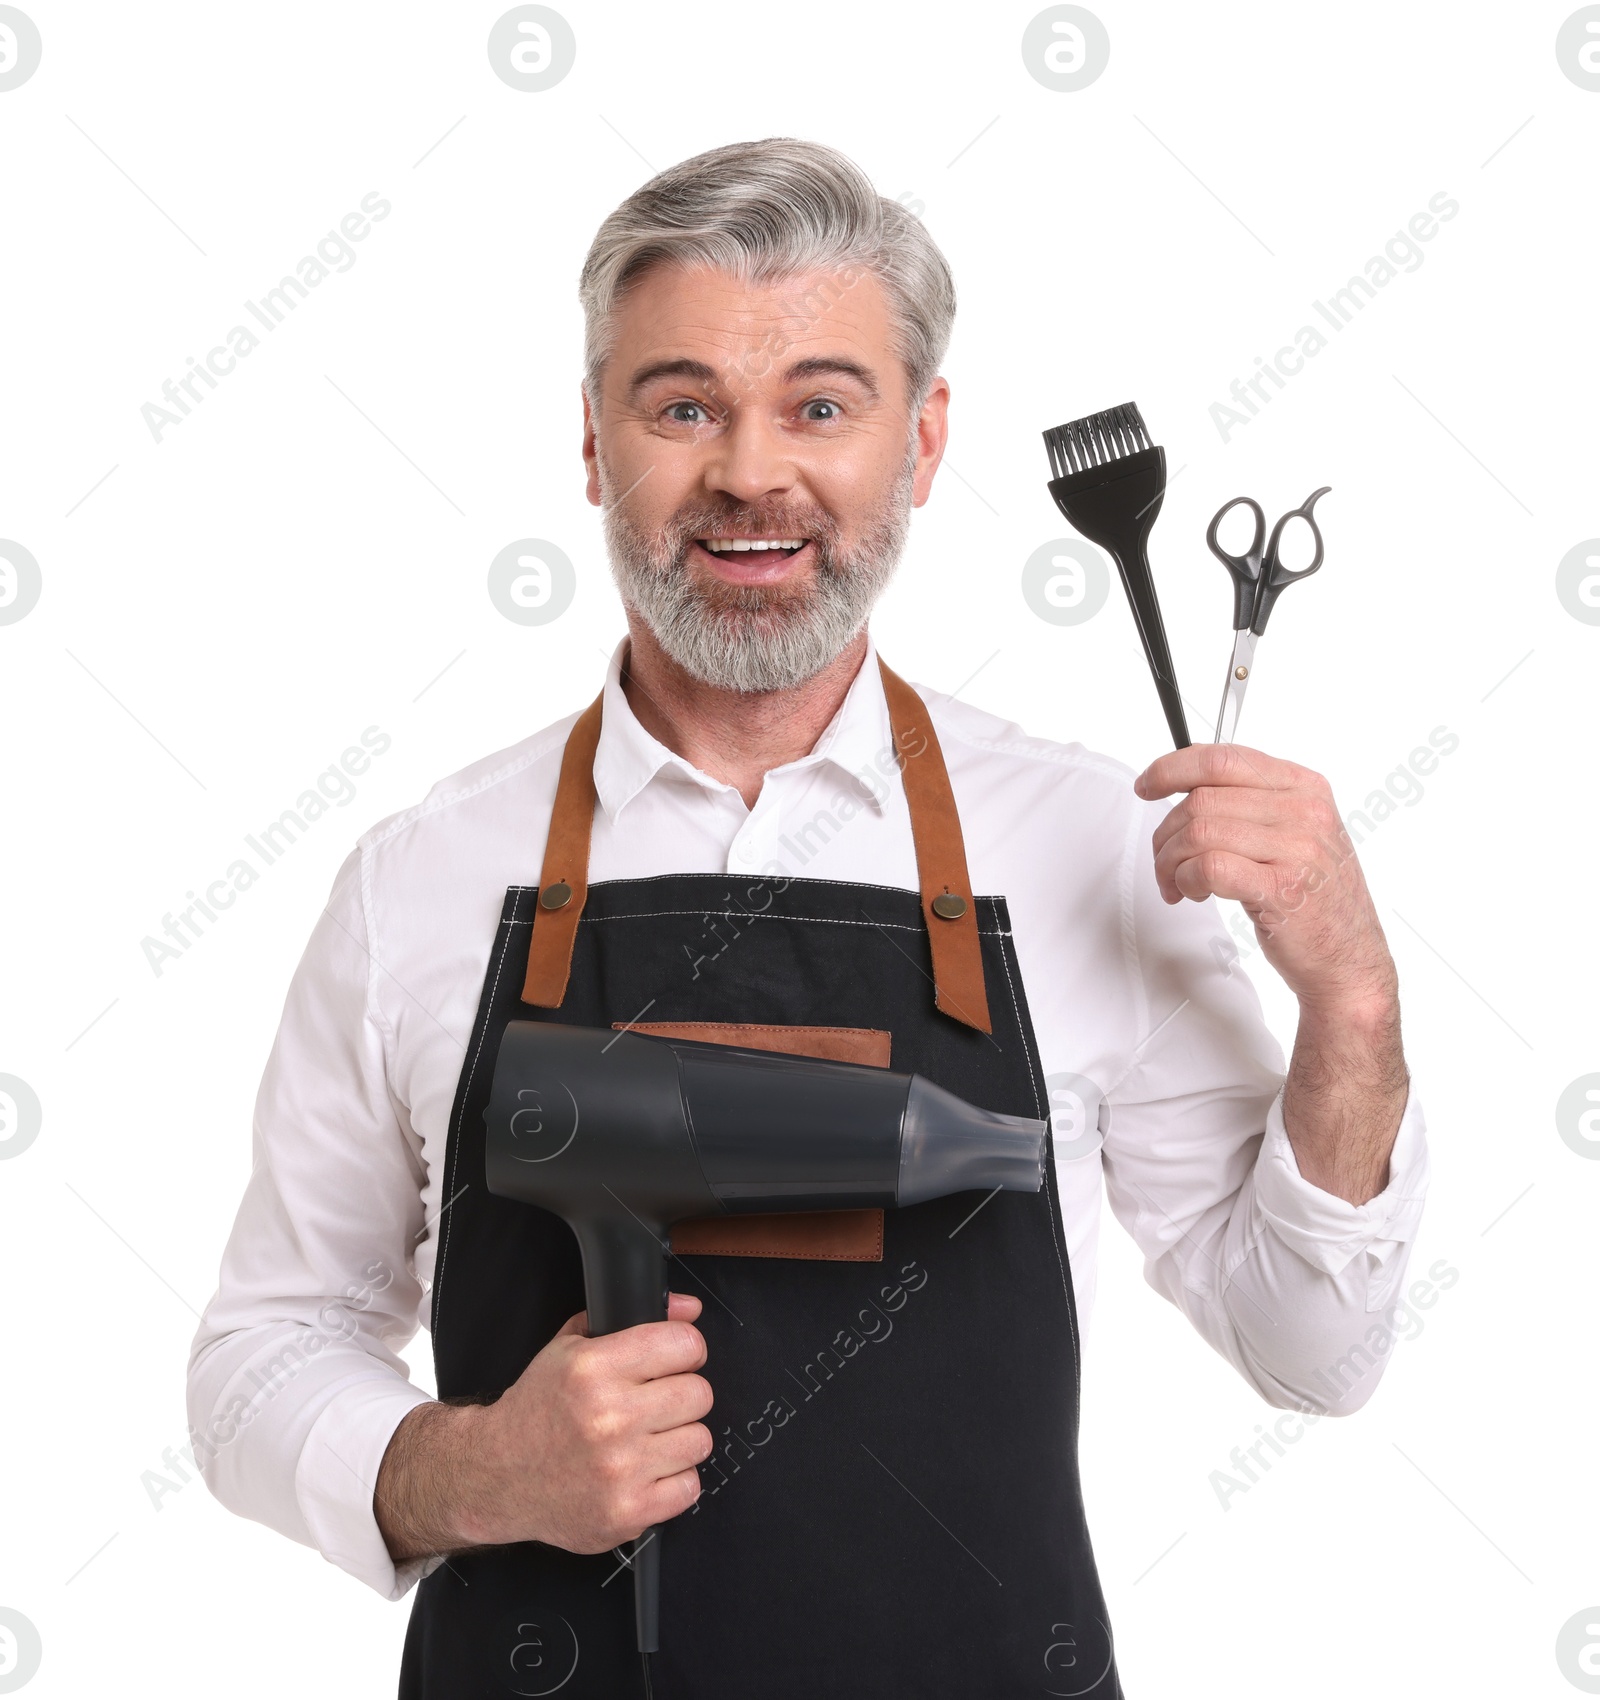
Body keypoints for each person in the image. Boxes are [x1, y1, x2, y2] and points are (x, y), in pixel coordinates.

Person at [188, 137, 1428, 1699]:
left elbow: (1318, 1355)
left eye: (821, 406)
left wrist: (1356, 1007)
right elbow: (253, 1367)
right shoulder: (417, 880)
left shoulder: (1088, 847)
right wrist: (476, 1470)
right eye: (683, 403)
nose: (751, 473)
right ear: (592, 441)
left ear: (923, 442)